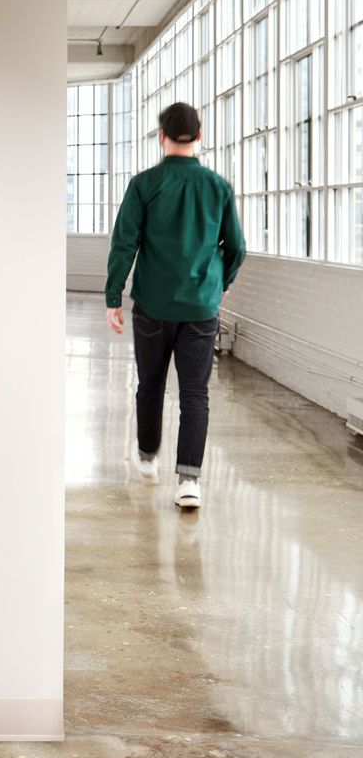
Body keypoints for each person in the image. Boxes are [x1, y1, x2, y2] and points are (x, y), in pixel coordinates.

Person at [105, 102, 246, 509]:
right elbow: (236, 248)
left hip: (151, 306)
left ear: (161, 135)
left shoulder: (144, 184)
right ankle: (189, 481)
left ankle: (148, 456)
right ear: (199, 137)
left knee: (150, 384)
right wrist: (220, 284)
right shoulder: (217, 187)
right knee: (194, 393)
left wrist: (114, 296)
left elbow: (124, 243)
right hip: (200, 309)